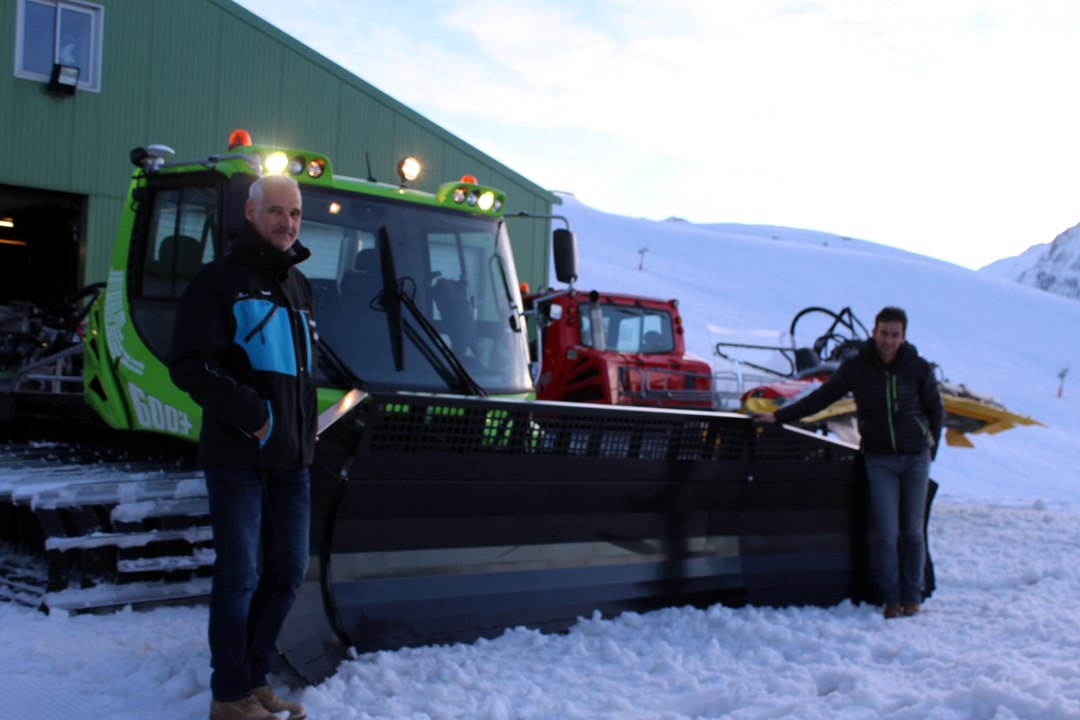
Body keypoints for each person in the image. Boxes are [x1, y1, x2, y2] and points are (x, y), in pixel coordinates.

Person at [170, 174, 316, 720]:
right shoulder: (219, 282)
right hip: (239, 456)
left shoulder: (298, 284)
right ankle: (228, 695)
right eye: (277, 211)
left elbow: (297, 374)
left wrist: (304, 430)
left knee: (285, 575)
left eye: (296, 213)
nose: (288, 222)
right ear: (252, 213)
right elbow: (188, 362)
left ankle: (253, 681)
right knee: (239, 578)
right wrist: (254, 415)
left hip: (293, 461)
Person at [753, 306, 943, 620]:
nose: (889, 340)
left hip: (915, 458)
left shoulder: (918, 367)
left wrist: (930, 450)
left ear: (903, 337)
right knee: (885, 532)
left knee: (912, 531)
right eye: (884, 333)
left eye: (895, 335)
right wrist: (778, 416)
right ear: (874, 332)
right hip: (879, 459)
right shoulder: (858, 367)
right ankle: (890, 598)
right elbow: (823, 397)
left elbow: (935, 410)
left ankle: (913, 596)